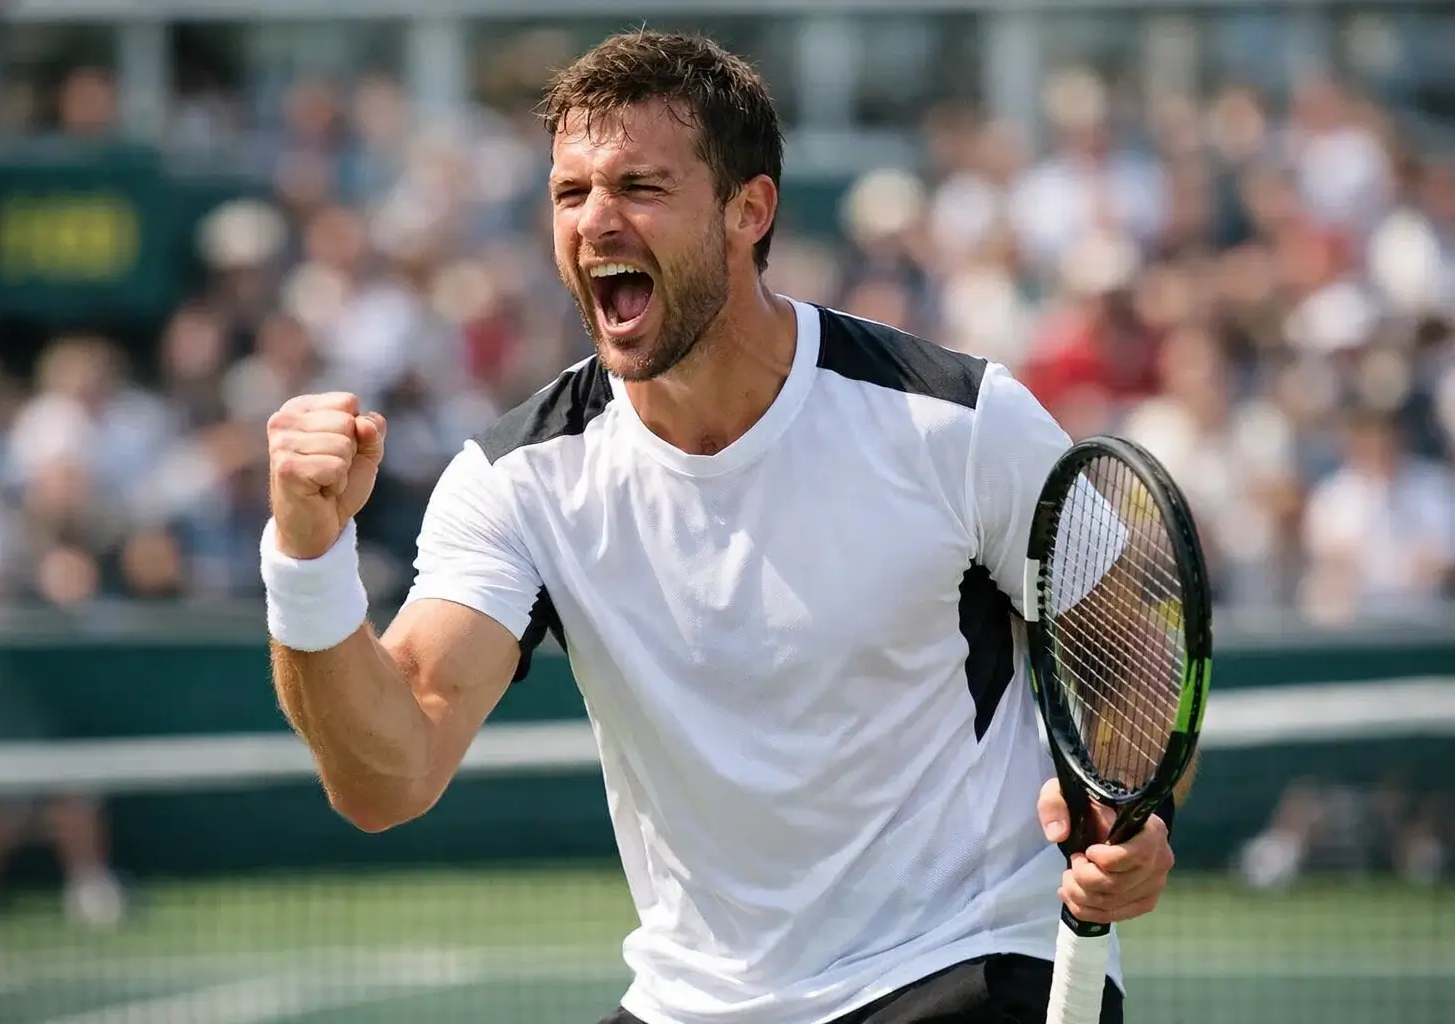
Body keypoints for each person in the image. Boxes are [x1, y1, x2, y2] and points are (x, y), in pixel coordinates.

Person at [261, 32, 1179, 1024]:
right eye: (570, 193)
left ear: (750, 209)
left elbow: (1128, 647)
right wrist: (308, 557)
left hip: (968, 959)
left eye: (640, 187)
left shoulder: (957, 422)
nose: (595, 220)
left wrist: (1132, 809)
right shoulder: (516, 482)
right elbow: (388, 775)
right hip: (693, 999)